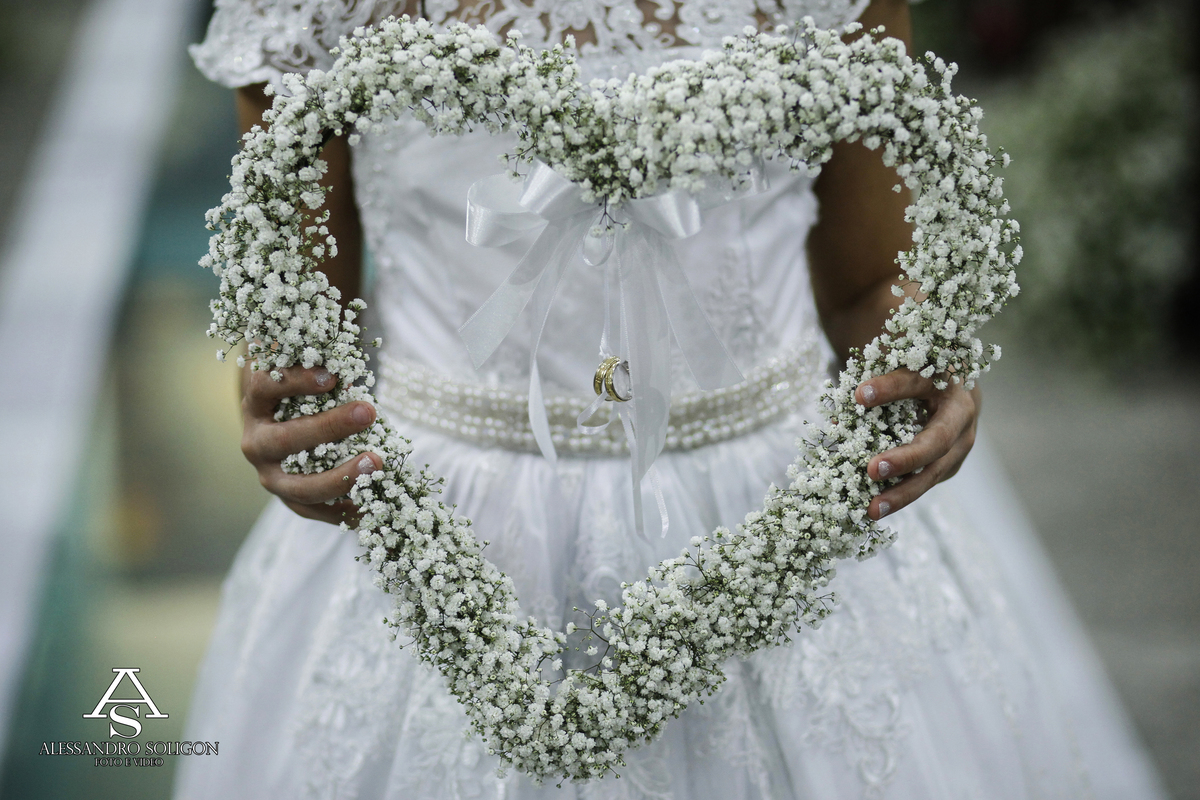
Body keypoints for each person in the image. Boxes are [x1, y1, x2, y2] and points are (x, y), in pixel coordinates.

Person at [176, 0, 1166, 797]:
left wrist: (923, 352)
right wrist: (281, 403)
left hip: (788, 521)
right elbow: (296, 306)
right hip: (435, 529)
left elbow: (870, 280)